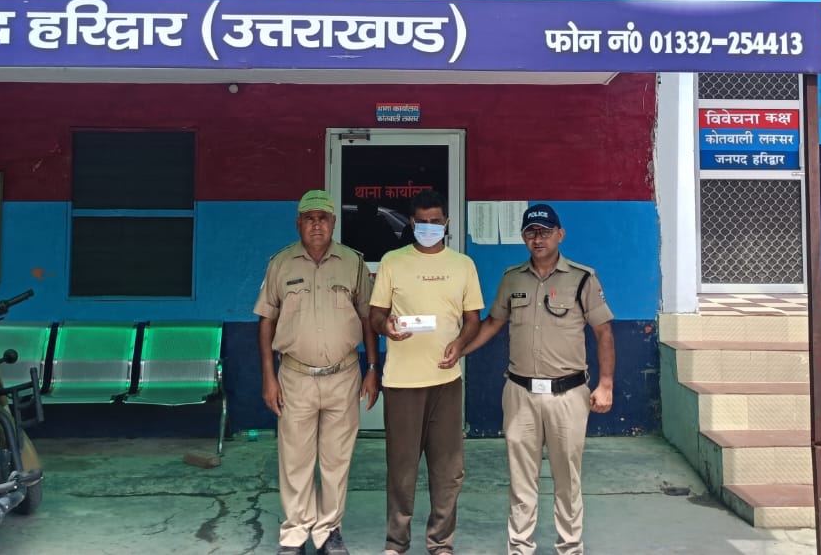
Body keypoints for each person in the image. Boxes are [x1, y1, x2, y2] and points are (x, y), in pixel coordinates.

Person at [460, 203, 614, 555]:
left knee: (567, 479)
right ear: (523, 237)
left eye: (545, 232)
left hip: (568, 394)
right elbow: (493, 324)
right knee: (521, 479)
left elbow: (603, 332)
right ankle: (520, 547)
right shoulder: (512, 278)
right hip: (520, 393)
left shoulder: (582, 278)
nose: (538, 238)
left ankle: (570, 547)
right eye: (531, 232)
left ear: (560, 235)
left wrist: (605, 384)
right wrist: (460, 351)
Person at [254, 190, 379, 555]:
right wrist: (268, 377)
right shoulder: (280, 264)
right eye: (309, 218)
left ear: (333, 222)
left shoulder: (353, 263)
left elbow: (367, 318)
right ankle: (294, 533)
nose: (316, 225)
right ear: (298, 224)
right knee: (295, 459)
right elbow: (266, 321)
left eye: (323, 218)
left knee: (336, 460)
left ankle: (328, 531)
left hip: (344, 375)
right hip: (295, 376)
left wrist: (373, 368)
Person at [368, 190, 483, 555]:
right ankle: (396, 542)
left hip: (446, 382)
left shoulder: (463, 265)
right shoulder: (393, 262)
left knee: (448, 470)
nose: (430, 228)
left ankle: (441, 542)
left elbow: (473, 319)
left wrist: (459, 344)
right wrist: (386, 327)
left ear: (446, 223)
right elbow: (375, 315)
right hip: (402, 382)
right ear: (412, 223)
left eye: (436, 222)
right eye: (423, 222)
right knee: (401, 470)